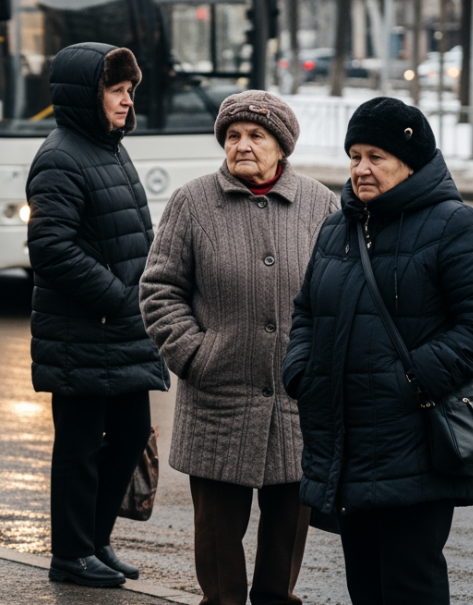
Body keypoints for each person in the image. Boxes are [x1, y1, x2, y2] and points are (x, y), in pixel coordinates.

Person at [282, 97, 473, 605]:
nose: (361, 169)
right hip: (347, 444)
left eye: (376, 157)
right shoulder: (340, 225)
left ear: (411, 163)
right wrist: (302, 370)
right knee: (364, 586)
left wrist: (409, 382)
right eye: (355, 155)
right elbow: (306, 310)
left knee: (410, 587)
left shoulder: (454, 224)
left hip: (413, 443)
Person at [140, 91, 337, 605]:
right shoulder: (192, 201)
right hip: (218, 399)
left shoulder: (321, 203)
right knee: (218, 541)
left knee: (286, 535)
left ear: (282, 146)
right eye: (233, 136)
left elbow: (339, 294)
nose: (242, 145)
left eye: (256, 136)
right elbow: (159, 289)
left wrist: (319, 365)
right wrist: (195, 355)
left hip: (295, 405)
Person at [25, 43, 170, 588]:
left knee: (131, 434)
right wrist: (118, 297)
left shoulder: (109, 147)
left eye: (130, 91)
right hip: (84, 330)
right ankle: (70, 553)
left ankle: (96, 538)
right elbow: (51, 249)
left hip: (124, 328)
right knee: (81, 447)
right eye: (116, 91)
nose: (126, 101)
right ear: (87, 94)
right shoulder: (61, 155)